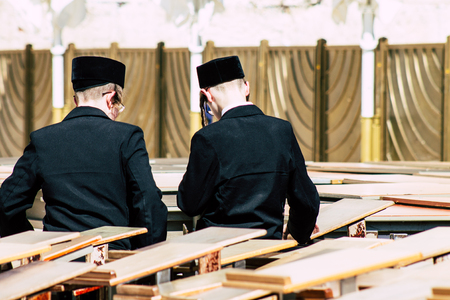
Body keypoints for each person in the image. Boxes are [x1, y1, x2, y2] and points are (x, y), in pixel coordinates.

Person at [0, 56, 167, 250]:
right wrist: (144, 256)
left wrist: (34, 245)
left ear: (75, 100)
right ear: (110, 98)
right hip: (113, 261)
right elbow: (149, 203)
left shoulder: (43, 140)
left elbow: (6, 204)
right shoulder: (127, 137)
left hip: (58, 261)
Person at [177, 55, 320, 244]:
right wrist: (295, 232)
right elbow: (307, 202)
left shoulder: (208, 138)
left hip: (221, 254)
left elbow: (189, 204)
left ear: (208, 95)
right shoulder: (282, 130)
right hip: (269, 249)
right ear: (246, 87)